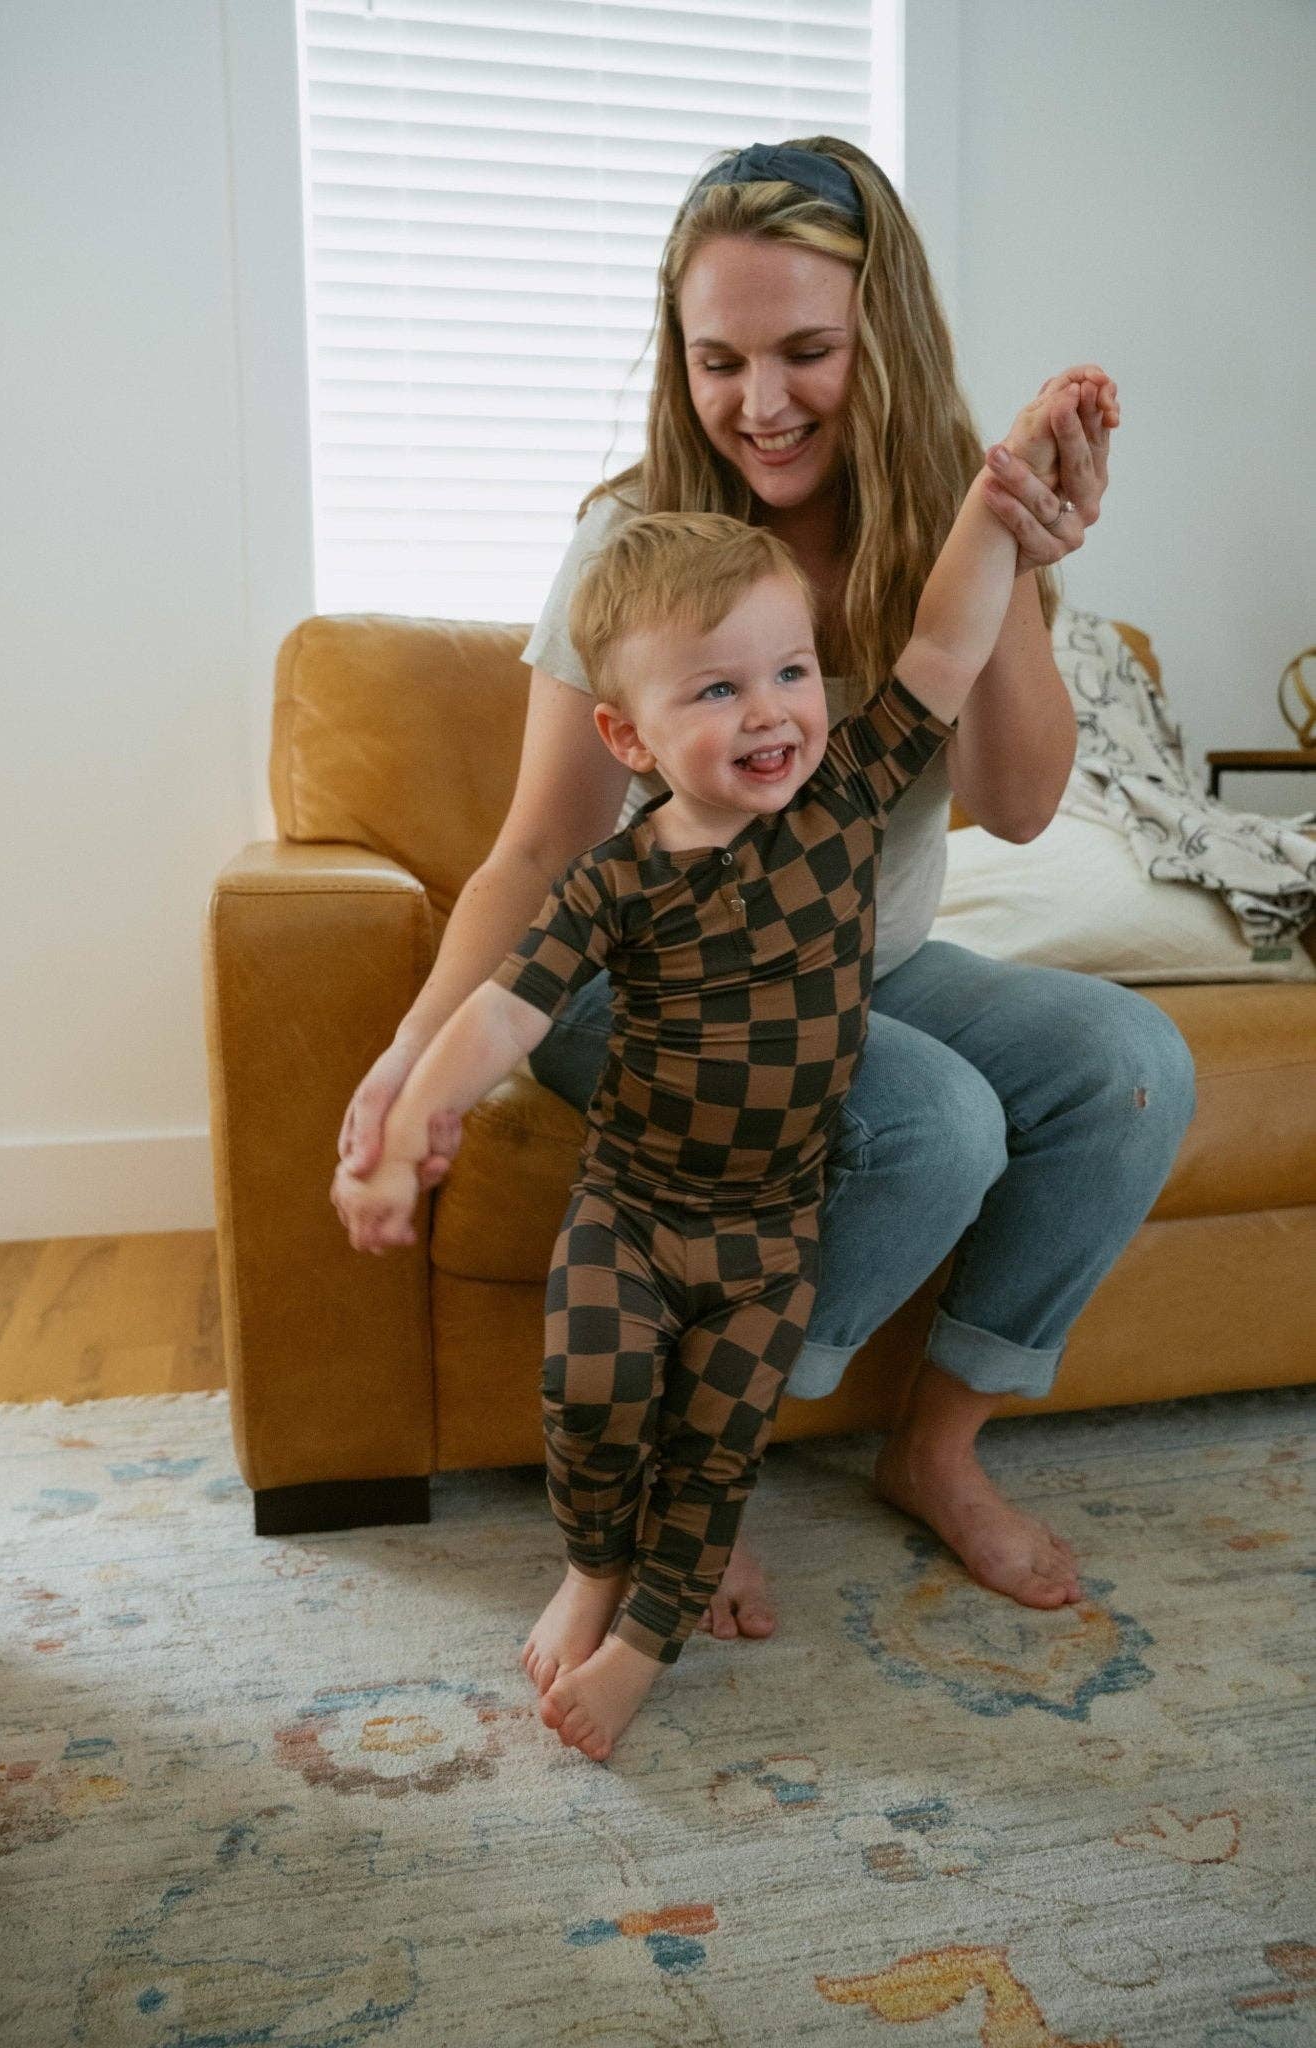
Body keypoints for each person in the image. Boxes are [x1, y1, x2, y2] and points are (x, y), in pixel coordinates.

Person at [335, 137, 1195, 1636]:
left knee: (1129, 1066)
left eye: (806, 351)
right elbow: (541, 850)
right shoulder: (634, 539)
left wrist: (1010, 562)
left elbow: (1014, 803)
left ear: (888, 340)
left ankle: (931, 1453)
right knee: (928, 1120)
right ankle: (686, 1465)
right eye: (717, 359)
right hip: (651, 976)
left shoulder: (962, 532)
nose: (760, 403)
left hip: (864, 960)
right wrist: (420, 1055)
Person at [334, 410, 1068, 1756]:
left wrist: (994, 493)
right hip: (628, 1215)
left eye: (789, 673)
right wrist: (402, 1123)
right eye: (715, 692)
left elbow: (946, 644)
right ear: (626, 736)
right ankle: (591, 1568)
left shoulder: (845, 802)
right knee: (591, 1411)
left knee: (713, 1458)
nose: (771, 712)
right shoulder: (620, 878)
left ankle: (640, 1651)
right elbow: (505, 1008)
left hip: (769, 1237)